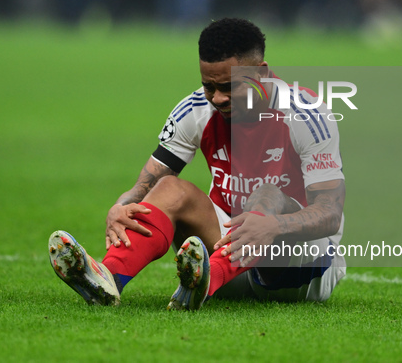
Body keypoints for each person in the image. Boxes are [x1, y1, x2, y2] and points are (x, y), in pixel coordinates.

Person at [48, 17, 347, 310]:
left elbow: (330, 214)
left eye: (229, 87)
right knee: (169, 188)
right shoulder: (195, 110)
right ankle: (107, 278)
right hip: (228, 258)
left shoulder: (306, 115)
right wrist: (120, 206)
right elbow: (144, 186)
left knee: (267, 194)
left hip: (301, 269)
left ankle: (208, 277)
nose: (217, 98)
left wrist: (273, 226)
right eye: (209, 86)